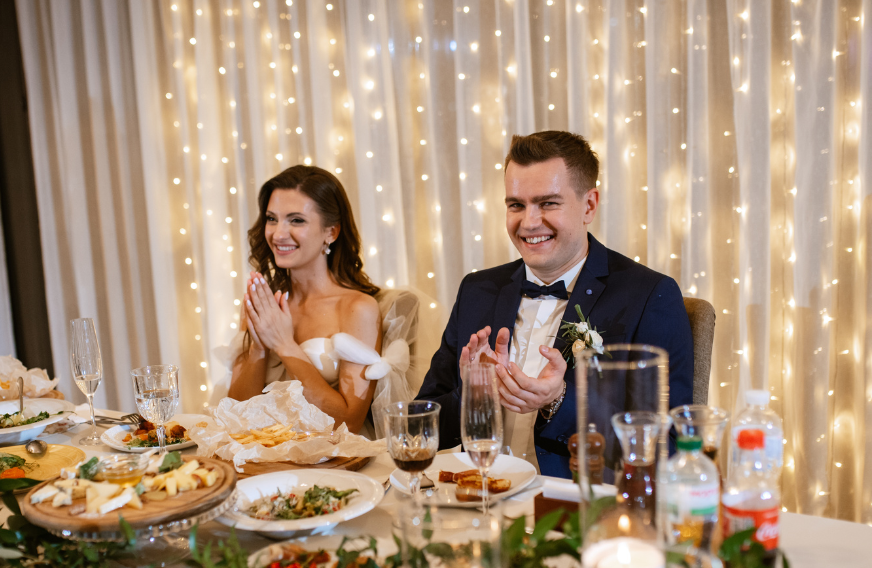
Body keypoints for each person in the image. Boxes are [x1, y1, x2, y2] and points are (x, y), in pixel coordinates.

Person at [416, 131, 693, 478]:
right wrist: (472, 395)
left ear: (589, 205)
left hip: (577, 506)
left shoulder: (649, 295)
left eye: (548, 203)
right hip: (477, 496)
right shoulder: (478, 289)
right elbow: (421, 425)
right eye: (516, 204)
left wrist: (559, 400)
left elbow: (669, 445)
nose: (529, 222)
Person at [228, 165, 384, 435]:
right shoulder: (266, 303)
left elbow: (348, 423)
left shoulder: (357, 309)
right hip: (266, 458)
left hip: (333, 465)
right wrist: (260, 347)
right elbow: (236, 413)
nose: (278, 234)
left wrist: (284, 343)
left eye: (296, 220)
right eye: (271, 218)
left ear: (331, 232)